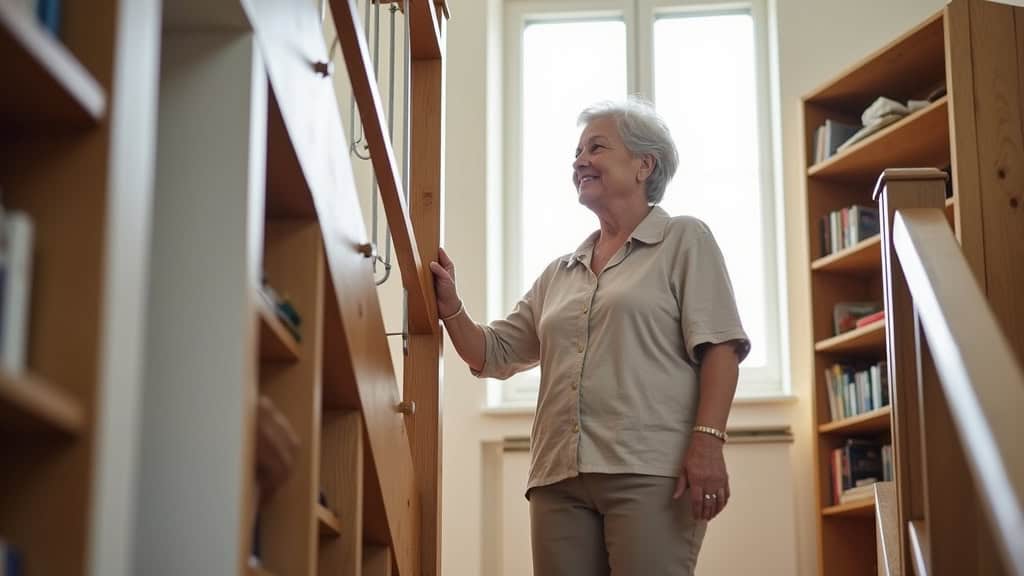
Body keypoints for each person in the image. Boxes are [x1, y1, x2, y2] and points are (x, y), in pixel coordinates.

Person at [430, 98, 750, 575]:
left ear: (646, 164)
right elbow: (493, 353)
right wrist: (449, 305)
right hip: (558, 477)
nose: (580, 161)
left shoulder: (684, 239)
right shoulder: (561, 272)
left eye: (596, 147)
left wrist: (708, 443)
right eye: (576, 153)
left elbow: (721, 347)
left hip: (650, 472)